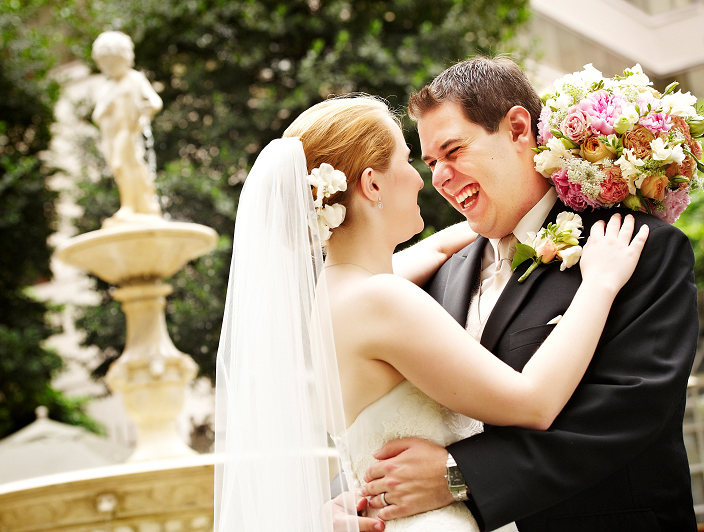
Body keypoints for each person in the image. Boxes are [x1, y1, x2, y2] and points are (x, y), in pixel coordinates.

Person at [214, 94, 648, 532]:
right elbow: (533, 403)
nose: (423, 180)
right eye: (407, 161)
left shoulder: (333, 294)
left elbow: (438, 247)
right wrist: (600, 283)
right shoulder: (383, 299)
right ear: (373, 184)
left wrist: (523, 207)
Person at [351, 57, 698, 532]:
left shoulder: (631, 246)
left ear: (518, 129)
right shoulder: (440, 277)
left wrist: (459, 476)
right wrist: (354, 498)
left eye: (454, 150)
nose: (439, 177)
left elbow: (629, 410)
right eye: (431, 162)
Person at [90, 30, 163, 221]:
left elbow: (155, 102)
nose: (109, 67)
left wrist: (145, 109)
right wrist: (106, 107)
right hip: (110, 136)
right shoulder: (106, 88)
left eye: (113, 62)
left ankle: (129, 207)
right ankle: (134, 204)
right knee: (119, 169)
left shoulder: (134, 79)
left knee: (120, 164)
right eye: (105, 63)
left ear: (124, 58)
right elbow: (97, 116)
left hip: (126, 131)